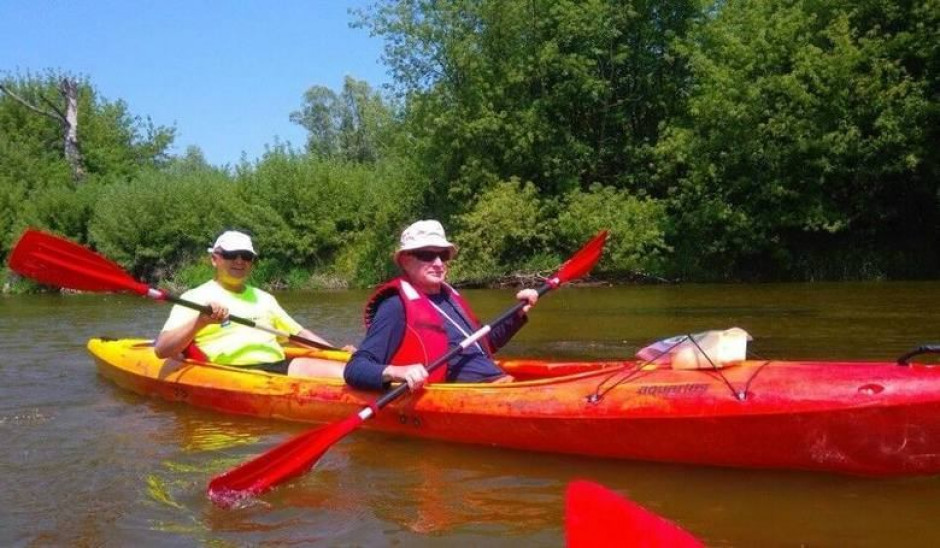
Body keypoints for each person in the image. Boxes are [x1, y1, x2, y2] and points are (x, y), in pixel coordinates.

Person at [344, 220, 538, 391]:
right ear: (405, 260)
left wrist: (517, 313)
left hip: (498, 384)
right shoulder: (395, 306)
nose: (438, 263)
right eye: (427, 255)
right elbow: (355, 368)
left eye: (443, 255)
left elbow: (484, 343)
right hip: (465, 395)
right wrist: (398, 372)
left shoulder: (448, 297)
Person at [154, 230, 348, 378]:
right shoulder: (194, 297)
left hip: (276, 365)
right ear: (215, 259)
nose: (239, 261)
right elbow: (162, 349)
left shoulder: (264, 298)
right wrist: (201, 321)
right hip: (232, 372)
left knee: (347, 373)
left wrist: (338, 352)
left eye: (246, 256)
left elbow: (299, 335)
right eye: (232, 255)